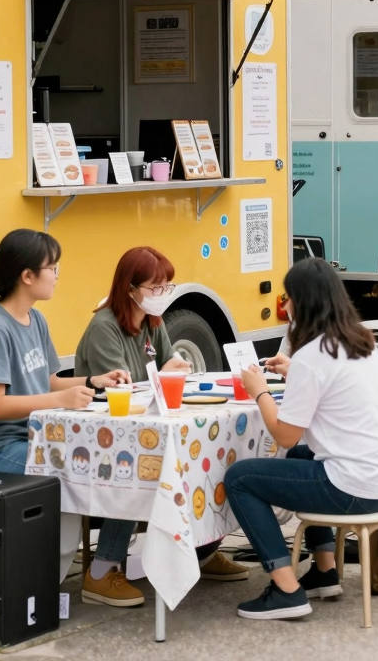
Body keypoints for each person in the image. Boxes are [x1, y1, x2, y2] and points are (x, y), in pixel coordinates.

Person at [223, 258, 378, 620]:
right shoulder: (362, 343)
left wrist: (259, 391)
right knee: (299, 455)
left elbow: (282, 433)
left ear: (303, 301)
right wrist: (295, 371)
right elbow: (335, 385)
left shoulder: (312, 356)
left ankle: (286, 589)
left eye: (288, 297)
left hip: (356, 486)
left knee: (240, 478)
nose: (285, 305)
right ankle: (325, 570)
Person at [73, 247, 247, 604]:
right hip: (107, 431)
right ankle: (102, 570)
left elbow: (170, 361)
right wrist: (161, 374)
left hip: (149, 420)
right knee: (137, 468)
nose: (162, 295)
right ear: (131, 287)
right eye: (156, 287)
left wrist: (179, 364)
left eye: (167, 286)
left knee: (210, 459)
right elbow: (119, 385)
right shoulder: (105, 326)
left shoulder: (153, 321)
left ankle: (203, 551)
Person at [0, 232, 129, 566]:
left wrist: (95, 381)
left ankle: (102, 567)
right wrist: (60, 400)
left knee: (119, 466)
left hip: (35, 439)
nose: (56, 276)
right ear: (27, 276)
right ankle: (96, 570)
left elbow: (49, 381)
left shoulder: (36, 319)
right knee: (96, 471)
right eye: (52, 267)